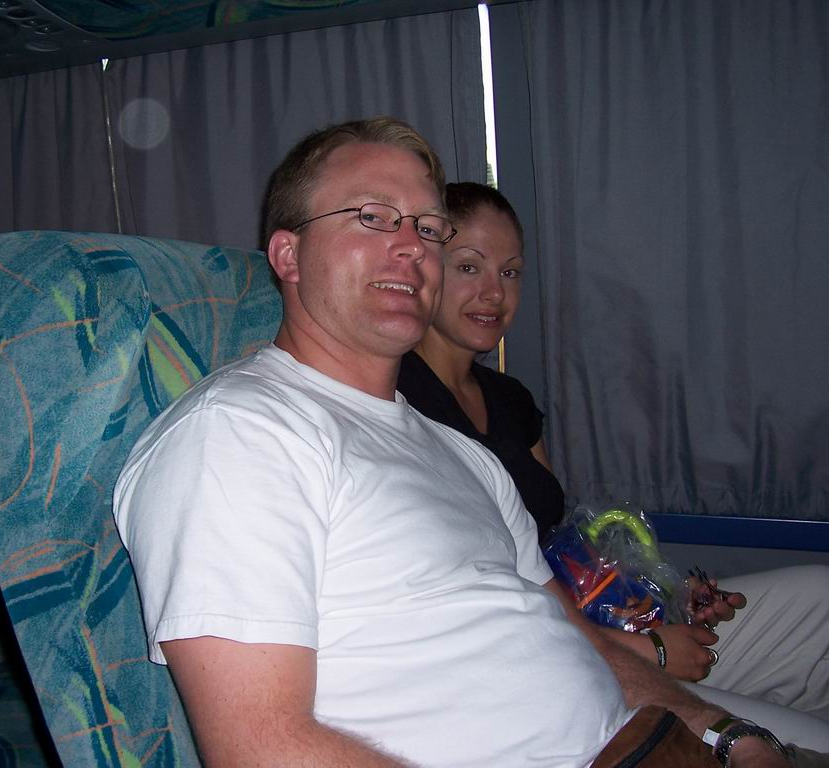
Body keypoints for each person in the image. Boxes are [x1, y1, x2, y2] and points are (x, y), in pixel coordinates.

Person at [113, 117, 796, 767]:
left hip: (650, 746)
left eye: (429, 228)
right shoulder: (240, 434)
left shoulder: (461, 454)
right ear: (289, 255)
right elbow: (261, 748)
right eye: (372, 217)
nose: (413, 245)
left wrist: (726, 735)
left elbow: (586, 644)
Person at [397, 180, 829, 734]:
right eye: (468, 267)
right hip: (544, 664)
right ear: (426, 268)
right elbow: (470, 599)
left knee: (820, 596)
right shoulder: (400, 400)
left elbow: (557, 550)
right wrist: (646, 651)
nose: (494, 293)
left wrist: (660, 598)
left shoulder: (510, 399)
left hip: (595, 626)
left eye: (510, 272)